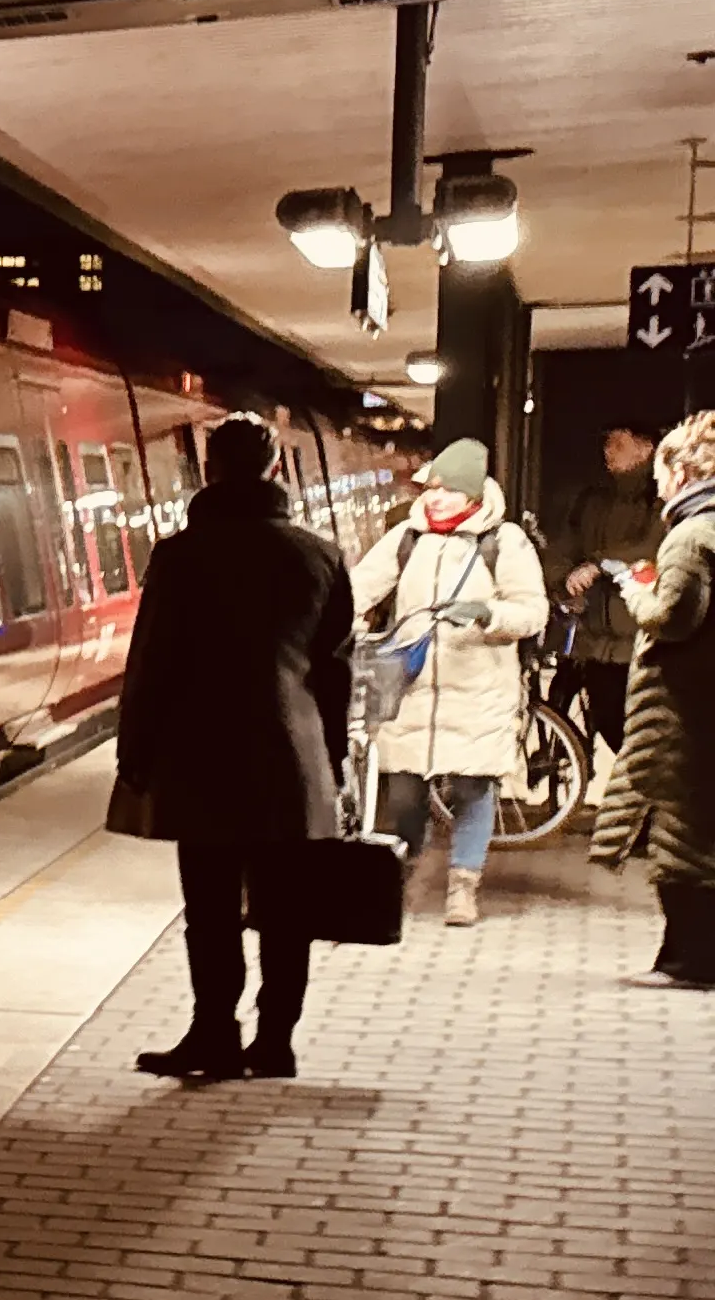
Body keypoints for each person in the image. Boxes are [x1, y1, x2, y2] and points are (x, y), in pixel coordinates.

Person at [113, 412, 354, 1081]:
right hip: (294, 757)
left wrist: (134, 752)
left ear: (209, 470)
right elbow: (335, 671)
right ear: (277, 468)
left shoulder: (180, 555)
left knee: (211, 911)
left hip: (203, 758)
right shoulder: (320, 555)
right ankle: (276, 1042)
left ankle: (214, 1032)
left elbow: (152, 663)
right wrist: (333, 762)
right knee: (285, 912)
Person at [348, 436, 549, 928]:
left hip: (478, 686)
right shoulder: (408, 538)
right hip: (410, 686)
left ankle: (463, 888)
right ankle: (405, 872)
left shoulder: (504, 542)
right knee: (404, 792)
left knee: (474, 788)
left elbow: (531, 611)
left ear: (473, 495)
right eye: (430, 488)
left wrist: (487, 614)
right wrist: (340, 624)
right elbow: (357, 587)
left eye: (447, 490)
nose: (434, 498)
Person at [617, 410, 715, 988]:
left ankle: (687, 961)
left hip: (688, 709)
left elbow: (674, 619)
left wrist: (638, 591)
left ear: (680, 470)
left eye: (659, 471)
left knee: (682, 840)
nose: (656, 485)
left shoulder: (691, 534)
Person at [548, 421, 666, 748]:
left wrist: (598, 564)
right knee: (610, 722)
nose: (608, 451)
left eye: (618, 443)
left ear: (646, 448)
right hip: (596, 638)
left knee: (646, 733)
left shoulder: (662, 500)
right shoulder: (593, 500)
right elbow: (564, 546)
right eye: (606, 443)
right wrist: (562, 579)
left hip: (642, 638)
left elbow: (654, 547)